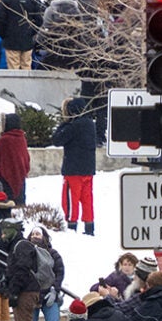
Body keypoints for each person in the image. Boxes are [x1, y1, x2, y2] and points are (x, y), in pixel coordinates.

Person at [0, 223, 61, 321]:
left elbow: (22, 270)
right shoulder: (20, 245)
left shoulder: (21, 246)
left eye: (5, 232)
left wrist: (14, 291)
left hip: (26, 291)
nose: (2, 235)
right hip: (26, 289)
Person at [54, 95, 102, 234]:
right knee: (87, 199)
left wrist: (64, 123)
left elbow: (57, 139)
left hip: (73, 170)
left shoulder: (73, 126)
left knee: (71, 201)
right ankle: (89, 227)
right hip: (88, 169)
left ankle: (72, 226)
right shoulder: (90, 124)